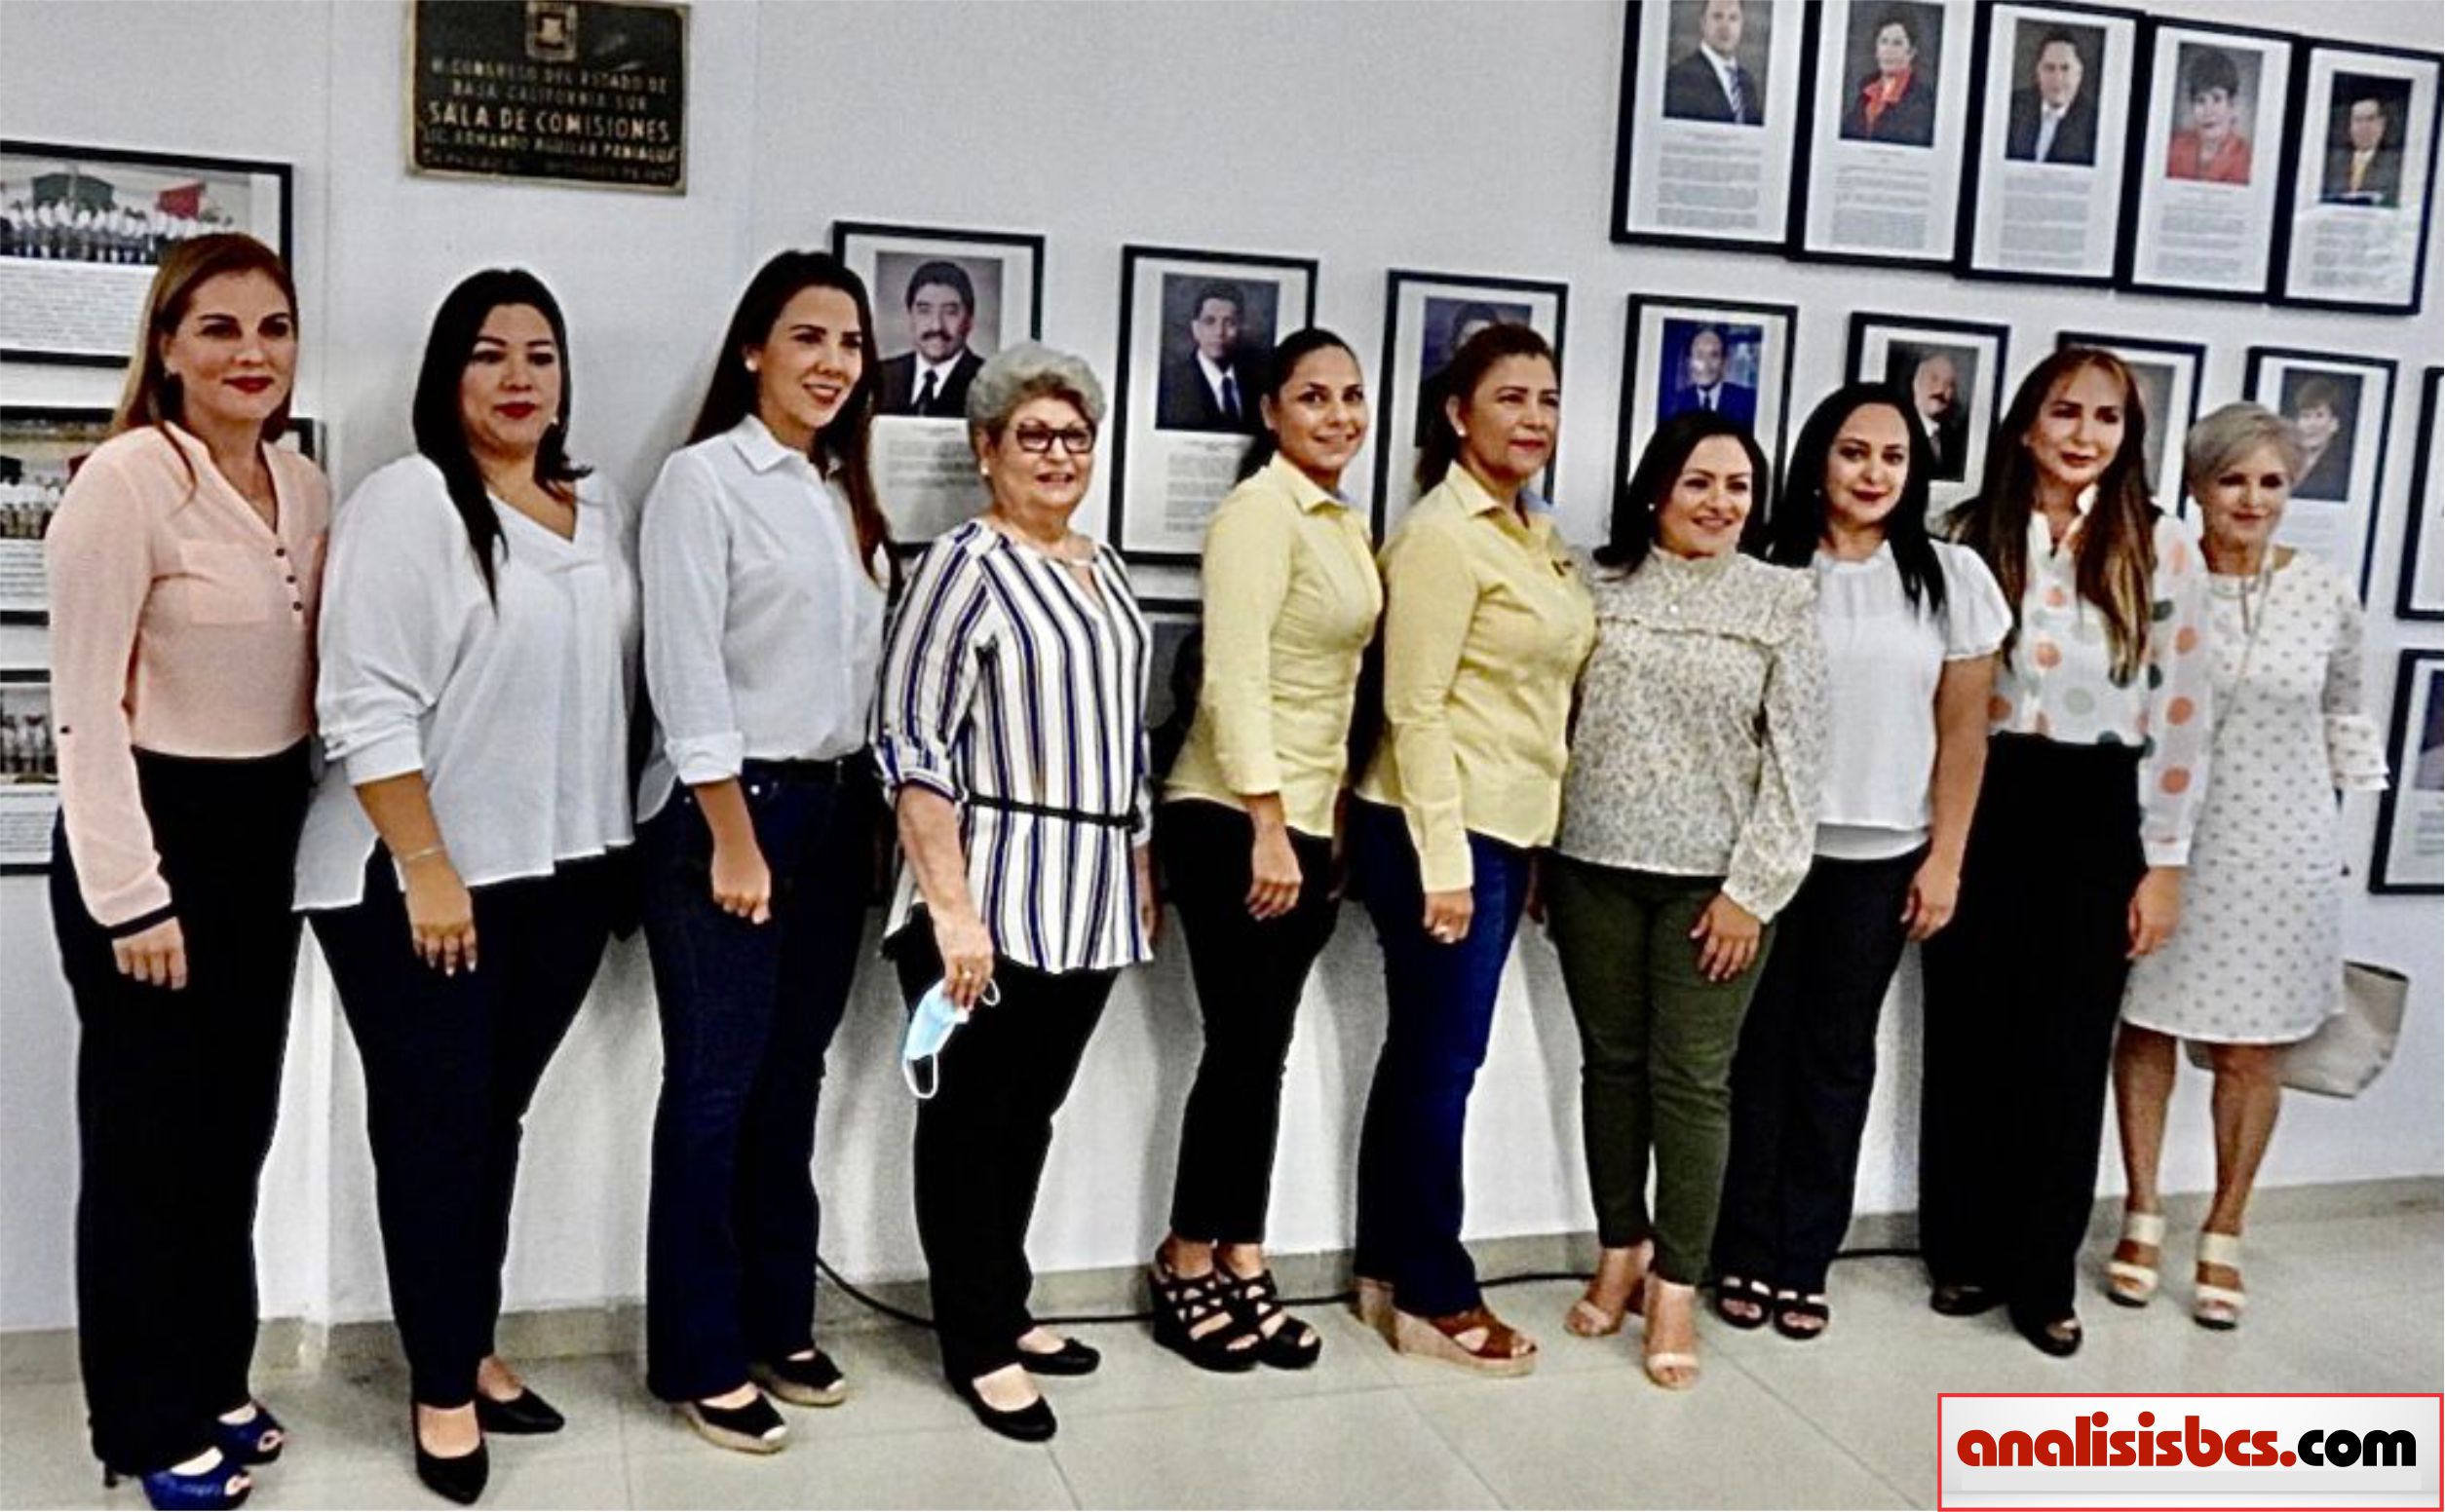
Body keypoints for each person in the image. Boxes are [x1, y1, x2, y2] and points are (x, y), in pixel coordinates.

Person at [295, 269, 638, 1504]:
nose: (517, 378)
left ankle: (469, 1342)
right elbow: (362, 700)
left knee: (492, 1123)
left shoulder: (595, 507)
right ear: (448, 375)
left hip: (560, 871)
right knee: (434, 1130)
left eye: (539, 354)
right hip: (415, 879)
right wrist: (427, 865)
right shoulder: (409, 502)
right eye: (489, 354)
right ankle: (440, 1387)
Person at [45, 233, 328, 1512]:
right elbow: (83, 713)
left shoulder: (301, 485)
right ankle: (144, 1420)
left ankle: (214, 1377)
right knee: (148, 1152)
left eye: (273, 328)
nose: (250, 354)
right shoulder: (124, 483)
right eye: (219, 328)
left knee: (232, 1136)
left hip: (262, 838)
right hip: (152, 840)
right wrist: (132, 895)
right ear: (166, 346)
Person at [874, 342, 1158, 1443]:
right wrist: (951, 911)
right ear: (985, 449)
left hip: (1091, 896)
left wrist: (1139, 870)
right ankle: (976, 1340)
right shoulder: (962, 564)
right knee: (968, 1124)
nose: (1057, 454)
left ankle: (1004, 1298)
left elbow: (1124, 738)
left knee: (1028, 1116)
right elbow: (910, 742)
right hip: (989, 890)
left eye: (1074, 436)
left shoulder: (1103, 566)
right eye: (1032, 435)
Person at [637, 251, 894, 1453]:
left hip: (833, 813)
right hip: (728, 815)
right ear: (753, 350)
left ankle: (776, 1320)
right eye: (807, 337)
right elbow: (685, 669)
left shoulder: (841, 492)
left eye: (849, 343)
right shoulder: (704, 481)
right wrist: (734, 836)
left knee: (793, 1079)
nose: (833, 362)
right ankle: (698, 1353)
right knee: (715, 1086)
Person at [1921, 347, 2212, 1358]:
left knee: (2066, 1045)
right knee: (1968, 1031)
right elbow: (1937, 692)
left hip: (2095, 806)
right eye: (2065, 411)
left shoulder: (2160, 545)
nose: (2084, 433)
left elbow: (2182, 711)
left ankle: (2043, 1270)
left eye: (2106, 417)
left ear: (2129, 436)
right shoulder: (1964, 534)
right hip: (1983, 790)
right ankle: (1961, 1247)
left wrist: (2163, 861)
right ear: (2024, 423)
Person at [1712, 384, 2007, 1342]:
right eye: (1852, 452)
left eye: (1892, 456)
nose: (1872, 472)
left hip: (1879, 859)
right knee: (1752, 1056)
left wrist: (1945, 859)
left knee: (1835, 1059)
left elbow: (1963, 733)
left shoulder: (1950, 576)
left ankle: (1803, 1258)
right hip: (1765, 855)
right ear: (1817, 460)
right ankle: (1739, 1248)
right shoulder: (1765, 563)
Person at [1546, 410, 1826, 1390]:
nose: (1719, 503)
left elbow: (1797, 763)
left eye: (1737, 486)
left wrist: (1754, 891)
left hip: (1714, 887)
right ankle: (1618, 1249)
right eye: (1699, 482)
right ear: (1656, 488)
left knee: (1693, 1083)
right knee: (1611, 1067)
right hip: (1590, 866)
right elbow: (1554, 717)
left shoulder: (1781, 598)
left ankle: (1674, 1284)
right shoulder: (1594, 583)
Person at [1348, 323, 1595, 1377]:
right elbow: (1413, 706)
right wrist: (1446, 862)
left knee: (1425, 1056)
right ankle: (1433, 1292)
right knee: (1444, 1064)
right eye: (1510, 398)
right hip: (1433, 828)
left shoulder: (1531, 532)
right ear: (1457, 414)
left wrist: (1525, 845)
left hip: (1500, 826)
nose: (1533, 418)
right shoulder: (1443, 535)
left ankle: (1384, 1270)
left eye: (1547, 399)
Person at [2109, 403, 2388, 1329]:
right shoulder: (2156, 574)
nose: (2252, 499)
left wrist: (2332, 847)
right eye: (2232, 480)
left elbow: (2342, 712)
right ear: (2196, 485)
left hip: (2281, 850)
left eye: (2271, 482)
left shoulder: (2324, 591)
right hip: (2165, 841)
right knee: (2145, 1026)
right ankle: (2141, 1213)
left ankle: (2225, 1227)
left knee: (2250, 1050)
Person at [1151, 329, 1381, 1373]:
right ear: (1270, 412)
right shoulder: (1257, 513)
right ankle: (1186, 1259)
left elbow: (1337, 688)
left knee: (1261, 1053)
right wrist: (1269, 825)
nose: (1337, 415)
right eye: (1313, 396)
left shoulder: (1339, 520)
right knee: (1240, 1051)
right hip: (1232, 816)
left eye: (1351, 396)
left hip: (1306, 820)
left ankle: (1242, 1253)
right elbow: (1232, 677)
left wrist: (1323, 819)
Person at [876, 259, 985, 418]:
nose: (936, 326)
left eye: (950, 312)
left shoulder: (989, 383)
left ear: (969, 321)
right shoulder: (879, 377)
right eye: (924, 311)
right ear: (910, 316)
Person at [1157, 281, 1263, 434]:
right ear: (1195, 328)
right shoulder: (1169, 384)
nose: (1219, 332)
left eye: (1230, 323)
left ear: (1241, 328)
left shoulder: (1257, 384)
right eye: (1209, 321)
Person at [1840, 11, 1938, 147]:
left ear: (1911, 53)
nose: (1888, 50)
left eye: (1897, 43)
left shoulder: (1922, 99)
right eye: (1884, 41)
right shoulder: (1866, 91)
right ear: (1876, 50)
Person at [1663, 0, 1764, 127]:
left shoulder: (1747, 83)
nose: (1725, 26)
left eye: (1733, 18)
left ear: (1742, 25)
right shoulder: (1680, 77)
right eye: (1717, 16)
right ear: (1703, 23)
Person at [2005, 30, 2098, 166]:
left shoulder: (2094, 124)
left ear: (2079, 74)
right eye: (2049, 68)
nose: (2057, 78)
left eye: (2065, 68)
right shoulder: (2012, 107)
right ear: (2038, 72)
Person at [2165, 48, 2253, 185]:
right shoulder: (2173, 147)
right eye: (2200, 100)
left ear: (2232, 104)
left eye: (2217, 99)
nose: (2208, 111)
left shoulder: (2247, 159)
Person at [1665, 327, 1758, 427]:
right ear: (1689, 362)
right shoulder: (1677, 403)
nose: (1706, 364)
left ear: (1724, 362)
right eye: (1699, 356)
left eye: (1714, 355)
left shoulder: (1748, 401)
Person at [2322, 94, 2402, 206]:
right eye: (2358, 120)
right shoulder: (2329, 163)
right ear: (2350, 125)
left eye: (2370, 119)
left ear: (2382, 125)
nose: (2364, 127)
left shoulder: (2397, 166)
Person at [1908, 350, 1970, 482]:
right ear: (1916, 382)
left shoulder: (1955, 440)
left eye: (1949, 384)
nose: (1941, 389)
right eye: (1934, 378)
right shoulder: (1899, 430)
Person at [2287, 378, 2352, 500]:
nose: (2311, 424)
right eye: (2305, 416)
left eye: (2319, 415)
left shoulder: (2342, 473)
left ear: (2334, 424)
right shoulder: (2283, 462)